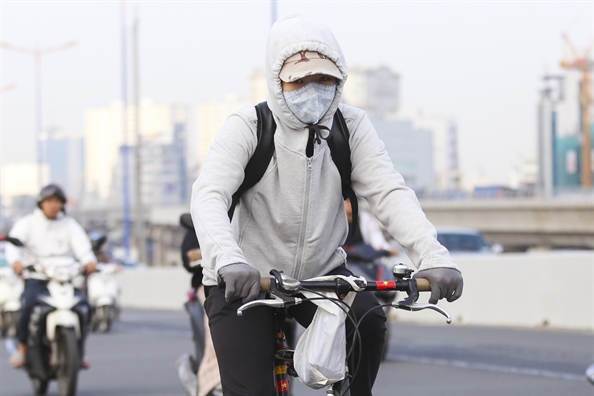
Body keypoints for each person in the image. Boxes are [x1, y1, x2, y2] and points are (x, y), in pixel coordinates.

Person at [191, 14, 463, 396]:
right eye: (298, 80)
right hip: (245, 279)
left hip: (320, 275)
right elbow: (209, 194)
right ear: (276, 81)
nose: (312, 89)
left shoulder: (350, 127)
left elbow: (389, 192)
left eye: (323, 78)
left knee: (368, 320)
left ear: (339, 79)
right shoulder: (248, 126)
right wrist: (228, 258)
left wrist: (434, 257)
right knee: (250, 390)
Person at [5, 184, 97, 368]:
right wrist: (16, 262)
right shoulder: (28, 223)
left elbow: (83, 247)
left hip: (65, 278)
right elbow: (14, 246)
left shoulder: (69, 224)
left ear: (62, 204)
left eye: (57, 201)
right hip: (37, 278)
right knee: (28, 305)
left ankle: (77, 352)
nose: (53, 205)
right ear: (41, 203)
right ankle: (23, 348)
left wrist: (89, 261)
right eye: (49, 201)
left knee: (85, 308)